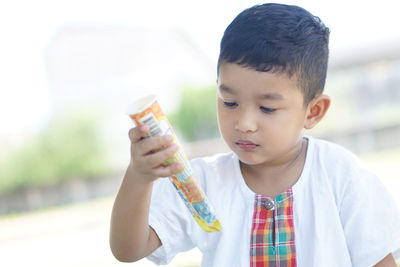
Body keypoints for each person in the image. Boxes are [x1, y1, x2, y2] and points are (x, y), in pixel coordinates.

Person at [109, 3, 400, 266]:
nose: (244, 123)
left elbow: (378, 260)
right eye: (230, 103)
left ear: (313, 111)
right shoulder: (203, 184)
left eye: (267, 108)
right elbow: (130, 249)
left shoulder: (340, 175)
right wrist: (139, 177)